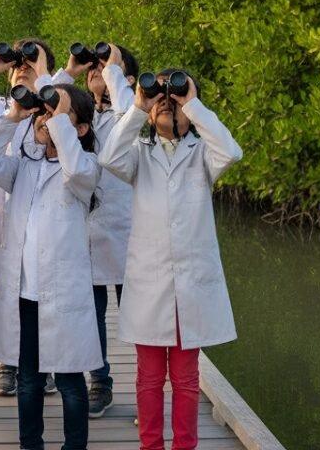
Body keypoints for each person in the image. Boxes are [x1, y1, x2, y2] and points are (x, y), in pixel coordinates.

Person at [99, 69, 242, 450]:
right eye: (158, 98)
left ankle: (184, 446)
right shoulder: (137, 156)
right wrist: (137, 106)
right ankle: (151, 446)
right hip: (150, 283)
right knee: (147, 377)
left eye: (172, 96)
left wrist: (191, 103)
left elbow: (231, 150)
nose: (166, 101)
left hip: (190, 287)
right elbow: (108, 156)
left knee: (186, 377)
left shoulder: (203, 155)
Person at [0, 84, 103, 450]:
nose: (48, 121)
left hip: (63, 296)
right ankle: (29, 445)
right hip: (24, 294)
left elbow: (77, 168)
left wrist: (60, 118)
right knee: (29, 379)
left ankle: (74, 446)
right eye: (44, 114)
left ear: (79, 129)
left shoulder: (85, 168)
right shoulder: (25, 166)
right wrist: (13, 118)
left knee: (69, 380)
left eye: (59, 116)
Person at [0, 38, 70, 398]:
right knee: (5, 291)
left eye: (30, 63)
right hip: (2, 215)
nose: (22, 68)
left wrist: (42, 71)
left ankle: (42, 363)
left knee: (41, 291)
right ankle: (8, 362)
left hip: (45, 216)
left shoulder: (55, 105)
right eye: (19, 64)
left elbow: (67, 97)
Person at [59, 43, 138, 417]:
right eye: (96, 66)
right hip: (86, 230)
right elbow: (48, 106)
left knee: (138, 319)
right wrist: (70, 71)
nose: (98, 69)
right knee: (92, 315)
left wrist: (114, 71)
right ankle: (100, 383)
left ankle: (146, 390)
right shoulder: (84, 114)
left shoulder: (133, 114)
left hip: (127, 232)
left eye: (105, 66)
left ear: (126, 78)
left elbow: (128, 116)